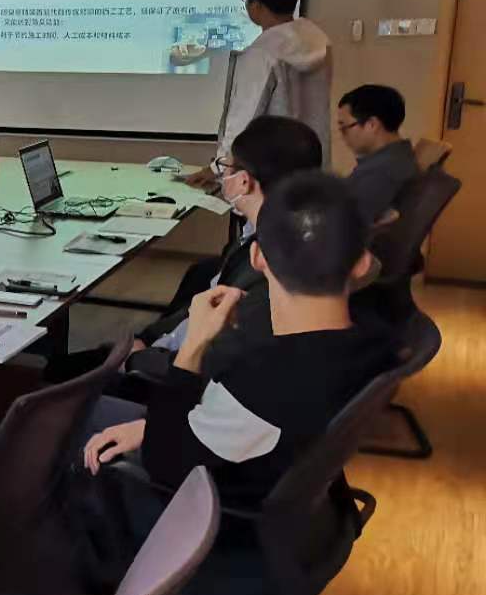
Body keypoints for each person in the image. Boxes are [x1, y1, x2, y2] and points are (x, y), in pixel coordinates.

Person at [83, 172, 397, 508]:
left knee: (74, 417)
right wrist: (151, 428)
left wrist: (192, 347)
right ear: (363, 264)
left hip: (207, 513)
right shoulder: (377, 341)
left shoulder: (262, 380)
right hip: (268, 476)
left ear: (257, 256)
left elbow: (164, 465)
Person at [128, 116, 323, 378]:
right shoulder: (282, 231)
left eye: (226, 167)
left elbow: (205, 359)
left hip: (169, 376)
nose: (223, 176)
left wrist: (138, 358)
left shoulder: (267, 265)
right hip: (167, 349)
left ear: (244, 181)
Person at [185, 0, 331, 188]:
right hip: (311, 167)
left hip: (268, 174)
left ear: (256, 5)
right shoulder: (318, 41)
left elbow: (243, 119)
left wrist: (218, 168)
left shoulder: (262, 54)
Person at [338, 83, 419, 225]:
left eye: (344, 128)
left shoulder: (383, 171)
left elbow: (343, 224)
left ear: (372, 125)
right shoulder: (394, 157)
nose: (342, 136)